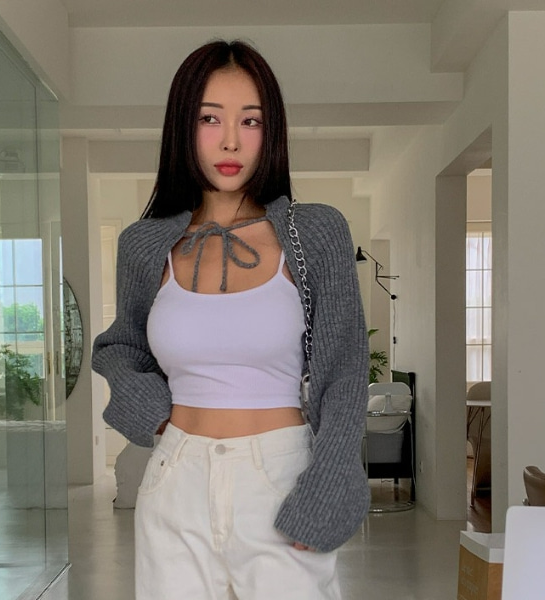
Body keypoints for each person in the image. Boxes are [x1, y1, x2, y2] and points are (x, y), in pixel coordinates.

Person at [92, 39, 369, 600]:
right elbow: (120, 346)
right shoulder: (145, 244)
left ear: (272, 131)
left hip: (280, 479)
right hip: (175, 480)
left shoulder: (314, 232)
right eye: (209, 118)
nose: (230, 141)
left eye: (251, 120)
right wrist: (155, 416)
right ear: (183, 127)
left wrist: (332, 480)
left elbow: (344, 369)